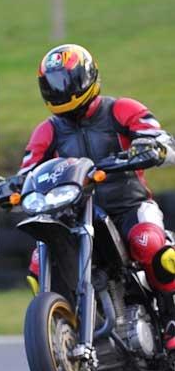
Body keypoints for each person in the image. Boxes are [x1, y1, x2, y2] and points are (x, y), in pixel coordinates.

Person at [14, 43, 175, 341]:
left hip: (130, 206)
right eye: (53, 84)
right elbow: (28, 170)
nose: (61, 90)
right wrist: (10, 186)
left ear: (86, 77)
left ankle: (170, 322)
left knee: (152, 247)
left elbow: (161, 139)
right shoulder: (47, 131)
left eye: (66, 81)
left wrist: (152, 147)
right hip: (74, 214)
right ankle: (63, 331)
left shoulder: (121, 109)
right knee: (37, 264)